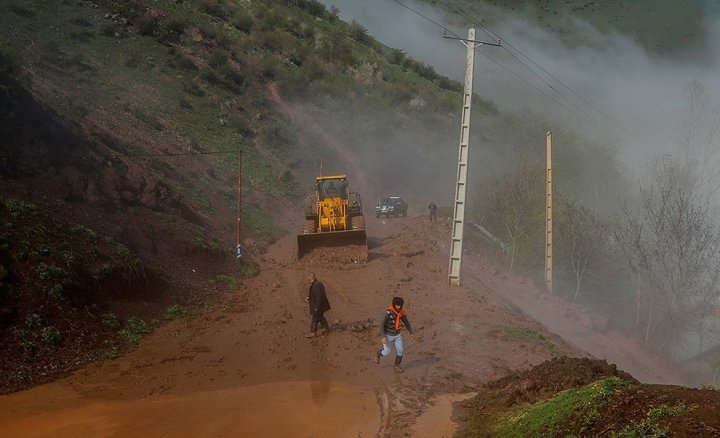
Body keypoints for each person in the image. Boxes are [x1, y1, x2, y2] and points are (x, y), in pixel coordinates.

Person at [374, 296, 414, 372]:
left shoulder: (401, 312)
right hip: (388, 335)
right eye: (397, 305)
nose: (398, 307)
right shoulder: (388, 313)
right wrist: (383, 337)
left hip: (397, 335)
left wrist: (411, 332)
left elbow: (406, 322)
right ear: (394, 304)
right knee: (386, 352)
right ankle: (378, 354)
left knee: (400, 350)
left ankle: (397, 365)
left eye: (400, 305)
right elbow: (382, 325)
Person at [305, 272, 331, 338]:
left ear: (311, 278)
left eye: (309, 278)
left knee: (314, 318)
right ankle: (327, 328)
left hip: (319, 306)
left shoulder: (315, 285)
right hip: (322, 306)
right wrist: (309, 297)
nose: (308, 279)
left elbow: (318, 297)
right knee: (320, 317)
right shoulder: (317, 283)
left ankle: (313, 332)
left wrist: (316, 307)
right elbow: (316, 294)